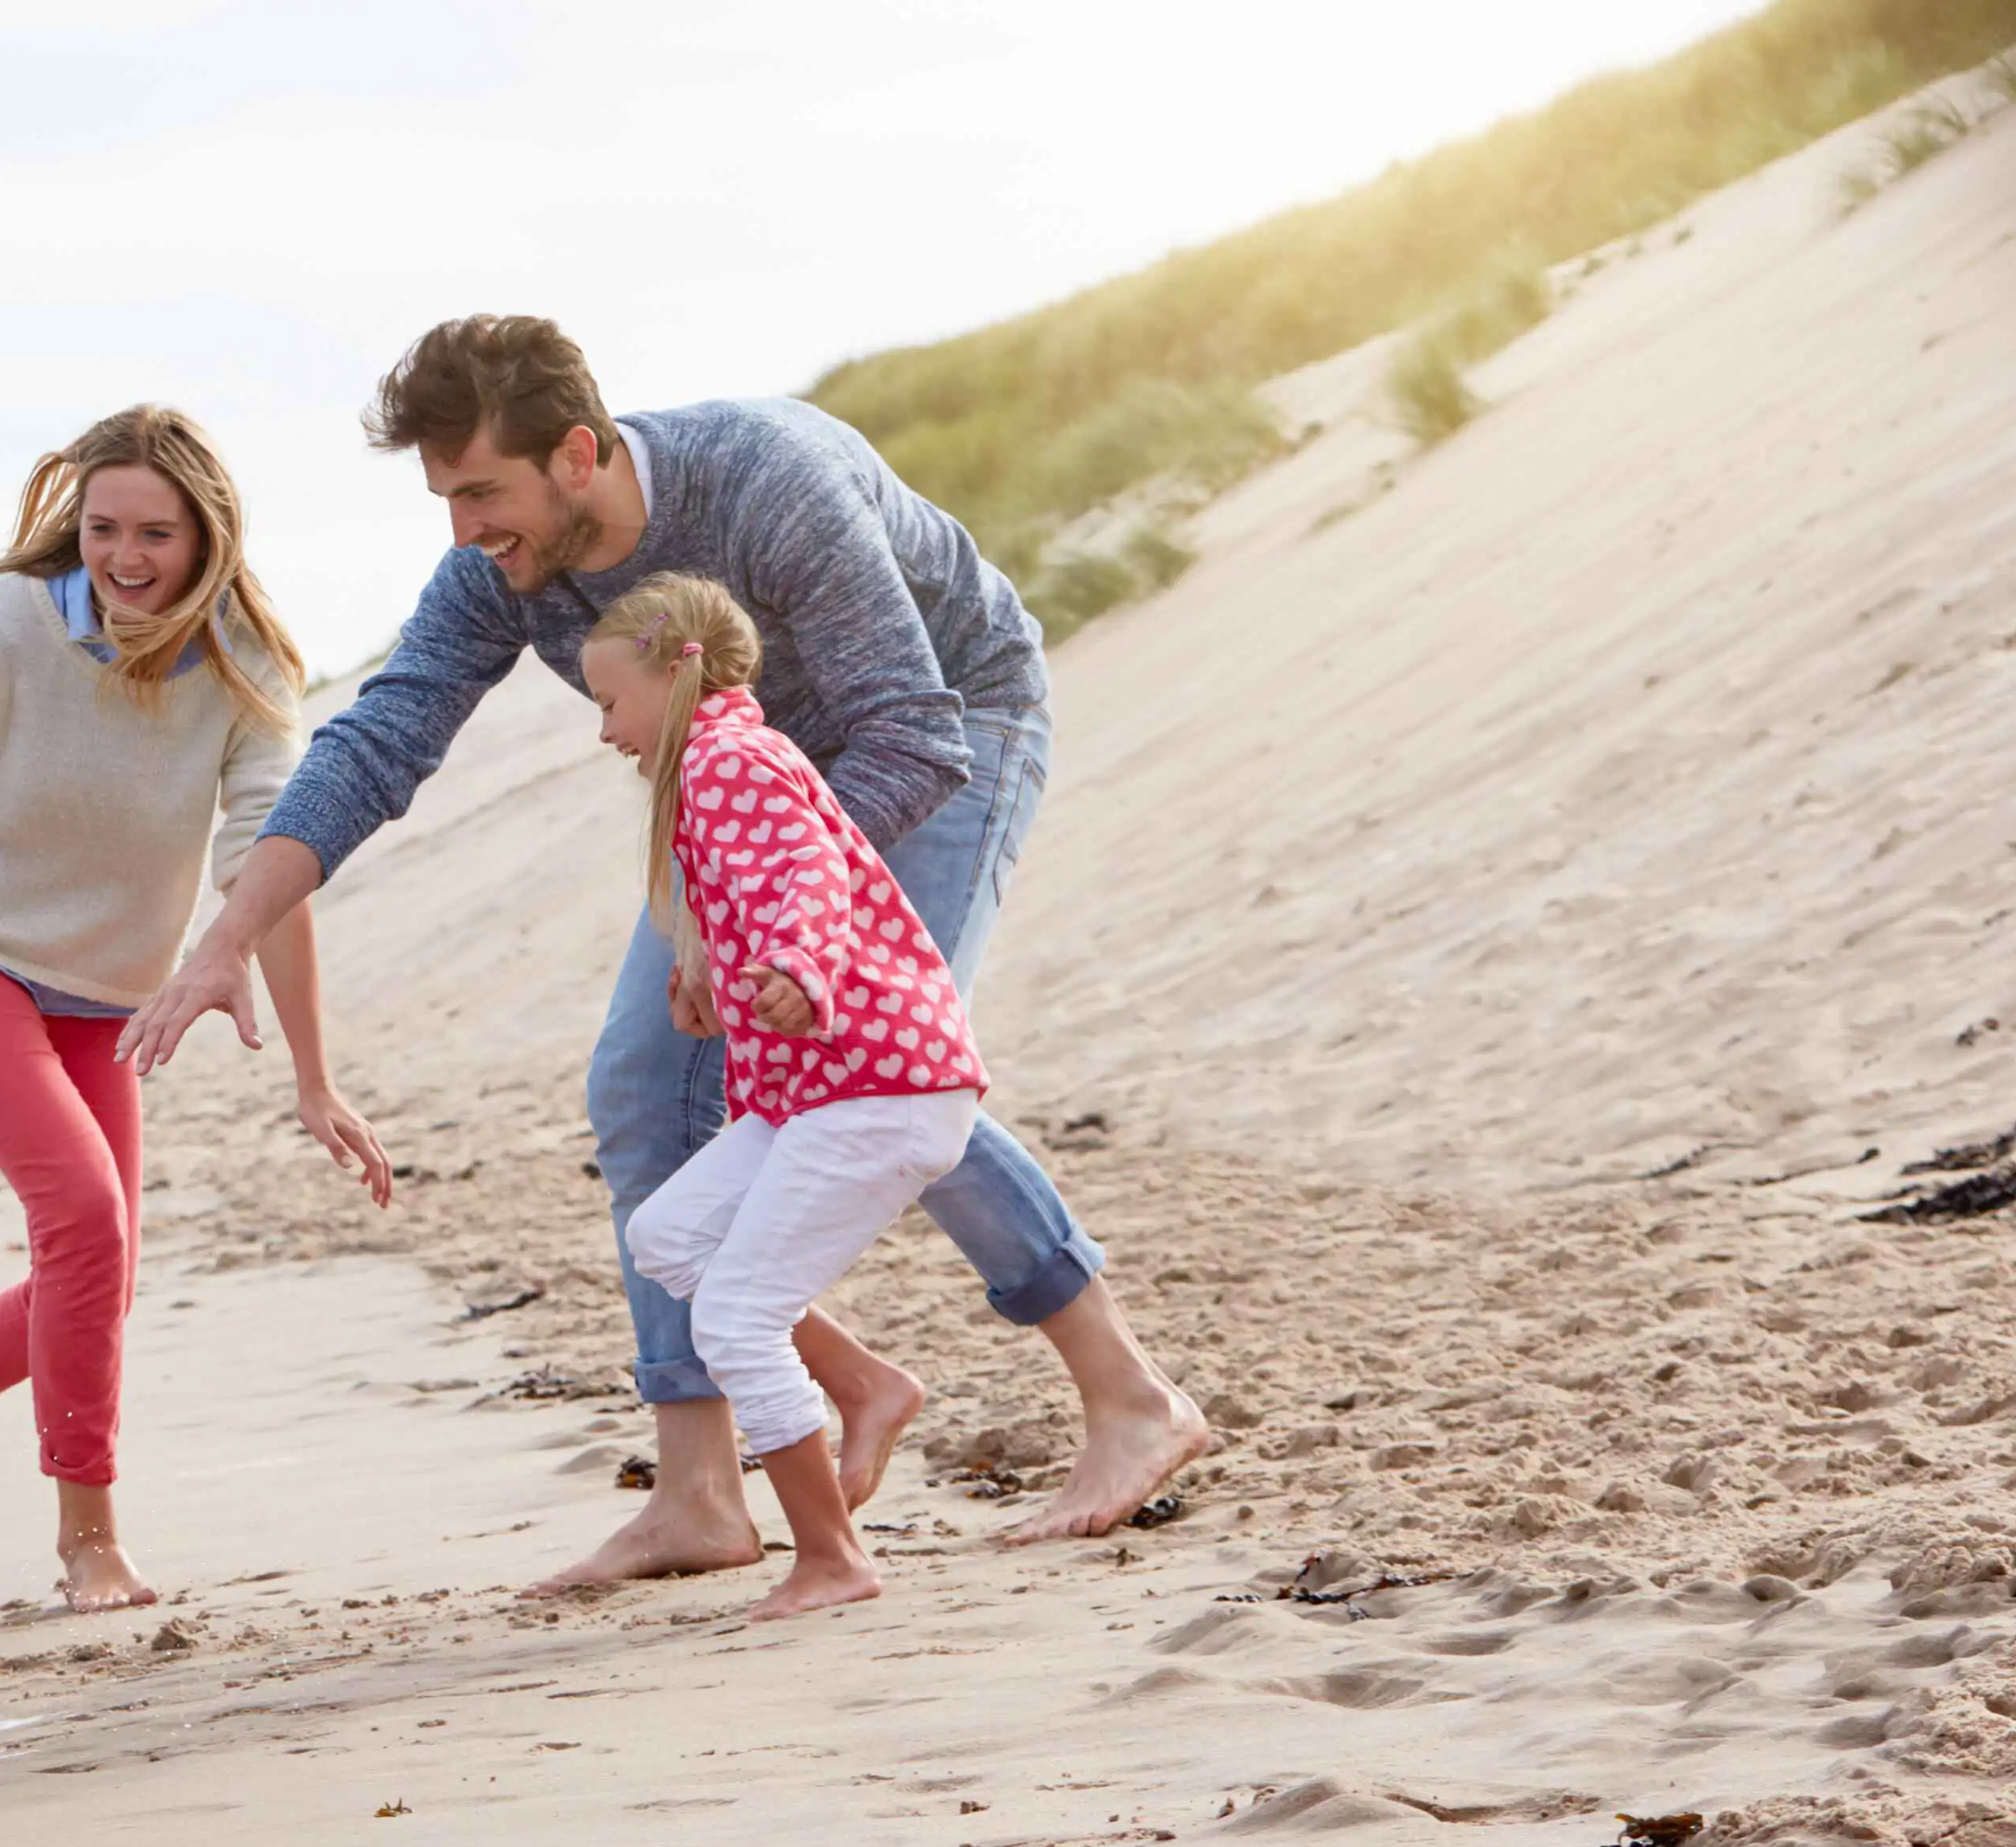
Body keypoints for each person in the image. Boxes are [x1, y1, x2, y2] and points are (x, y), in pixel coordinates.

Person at [114, 314, 1204, 1579]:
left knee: (885, 1070)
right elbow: (381, 740)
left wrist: (753, 919)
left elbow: (911, 726)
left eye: (481, 491)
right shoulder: (497, 571)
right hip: (734, 788)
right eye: (445, 497)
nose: (464, 531)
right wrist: (227, 933)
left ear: (577, 455)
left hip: (940, 728)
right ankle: (701, 1491)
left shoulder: (765, 487)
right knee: (646, 1085)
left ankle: (1130, 1395)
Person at [0, 405, 390, 1612]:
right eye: (103, 529)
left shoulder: (249, 660)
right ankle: (87, 1539)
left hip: (103, 985)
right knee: (86, 1218)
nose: (127, 559)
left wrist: (316, 1077)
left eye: (157, 533)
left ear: (210, 536)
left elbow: (277, 861)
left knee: (98, 1265)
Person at [590, 574, 980, 1620]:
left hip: (877, 1084)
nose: (604, 731)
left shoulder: (730, 761)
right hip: (813, 1091)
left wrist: (798, 973)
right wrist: (710, 979)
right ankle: (864, 1386)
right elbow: (756, 895)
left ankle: (832, 1556)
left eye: (609, 701)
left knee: (736, 1314)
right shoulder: (712, 772)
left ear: (674, 676)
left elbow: (811, 877)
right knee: (670, 1235)